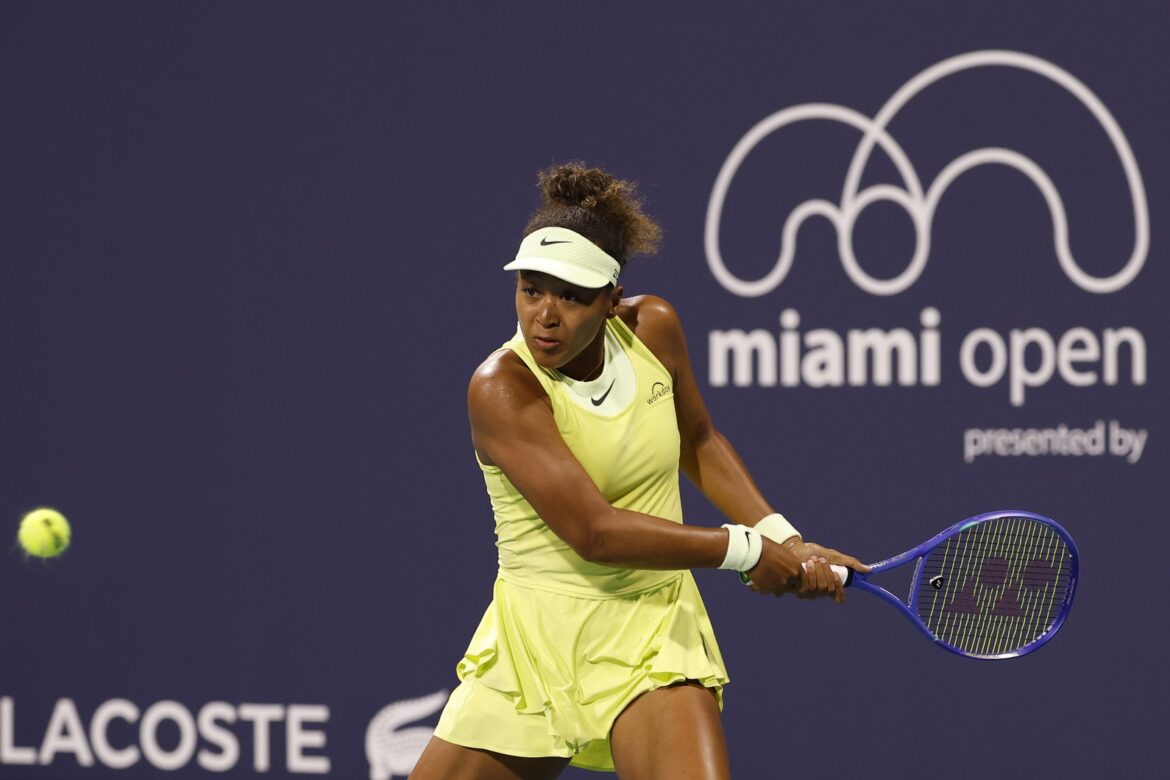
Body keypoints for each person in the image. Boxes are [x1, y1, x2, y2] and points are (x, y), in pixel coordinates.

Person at [410, 162, 868, 780]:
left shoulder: (654, 328)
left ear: (611, 298)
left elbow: (698, 440)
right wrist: (746, 549)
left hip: (651, 632)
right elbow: (594, 533)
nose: (545, 314)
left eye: (571, 296)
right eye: (530, 289)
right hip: (531, 643)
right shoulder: (501, 389)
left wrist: (782, 537)